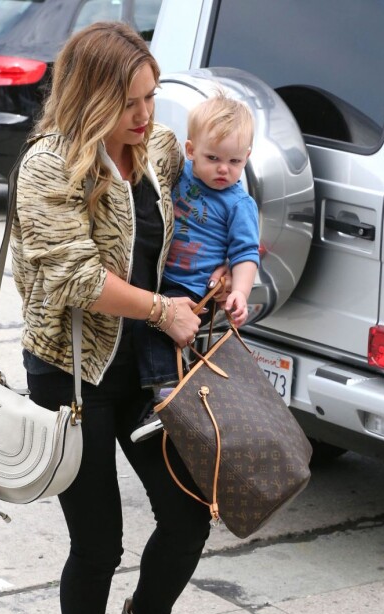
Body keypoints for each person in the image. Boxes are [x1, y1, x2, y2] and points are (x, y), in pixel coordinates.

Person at [11, 21, 223, 614]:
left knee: (190, 513)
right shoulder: (47, 165)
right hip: (71, 374)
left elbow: (207, 217)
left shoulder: (158, 150)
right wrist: (163, 308)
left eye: (153, 96)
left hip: (147, 370)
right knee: (99, 539)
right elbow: (75, 275)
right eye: (132, 100)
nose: (146, 114)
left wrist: (224, 272)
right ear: (92, 95)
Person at [130, 93, 260, 443]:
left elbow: (247, 252)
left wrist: (240, 292)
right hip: (157, 272)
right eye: (213, 158)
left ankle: (167, 397)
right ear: (190, 151)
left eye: (234, 161)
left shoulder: (239, 204)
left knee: (154, 326)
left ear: (247, 158)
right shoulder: (179, 174)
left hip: (191, 287)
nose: (223, 169)